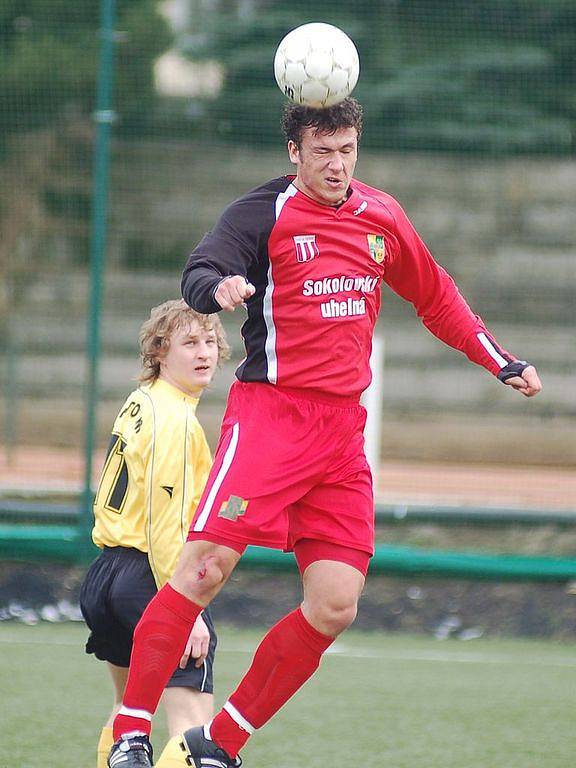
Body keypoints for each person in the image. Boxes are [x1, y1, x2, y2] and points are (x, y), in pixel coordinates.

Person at [107, 98, 542, 768]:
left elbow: (436, 297)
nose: (337, 165)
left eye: (347, 150)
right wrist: (217, 288)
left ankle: (217, 745)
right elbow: (199, 269)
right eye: (323, 152)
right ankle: (133, 733)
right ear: (294, 152)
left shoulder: (383, 216)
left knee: (336, 604)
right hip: (270, 420)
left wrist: (498, 359)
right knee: (203, 567)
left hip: (341, 436)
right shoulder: (263, 213)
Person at [80, 299, 230, 768]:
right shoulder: (176, 422)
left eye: (210, 341)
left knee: (130, 715)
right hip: (149, 578)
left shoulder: (141, 401)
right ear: (161, 352)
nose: (204, 351)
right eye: (189, 342)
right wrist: (185, 608)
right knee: (193, 723)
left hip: (105, 575)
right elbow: (166, 528)